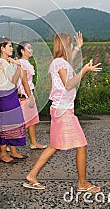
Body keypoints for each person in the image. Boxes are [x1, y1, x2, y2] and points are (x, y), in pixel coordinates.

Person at [24, 32, 102, 191]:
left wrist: (78, 48)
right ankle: (82, 183)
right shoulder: (59, 62)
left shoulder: (60, 61)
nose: (72, 45)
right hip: (63, 110)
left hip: (62, 108)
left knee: (54, 146)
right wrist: (84, 71)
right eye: (71, 43)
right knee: (81, 144)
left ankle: (32, 175)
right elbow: (68, 84)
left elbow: (69, 65)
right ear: (64, 45)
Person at [0, 37, 27, 163]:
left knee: (14, 122)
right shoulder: (1, 62)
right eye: (9, 46)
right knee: (7, 124)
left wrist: (16, 65)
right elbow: (13, 80)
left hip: (11, 93)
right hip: (5, 95)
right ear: (2, 49)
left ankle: (13, 151)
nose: (12, 48)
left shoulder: (8, 62)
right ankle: (3, 153)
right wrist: (18, 66)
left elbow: (16, 79)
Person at [16, 41, 47, 150]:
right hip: (24, 94)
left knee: (31, 120)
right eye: (28, 48)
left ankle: (33, 142)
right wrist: (30, 96)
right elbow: (23, 81)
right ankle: (5, 140)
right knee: (21, 121)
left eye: (31, 48)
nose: (31, 50)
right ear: (22, 51)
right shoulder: (22, 63)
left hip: (27, 92)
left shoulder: (26, 63)